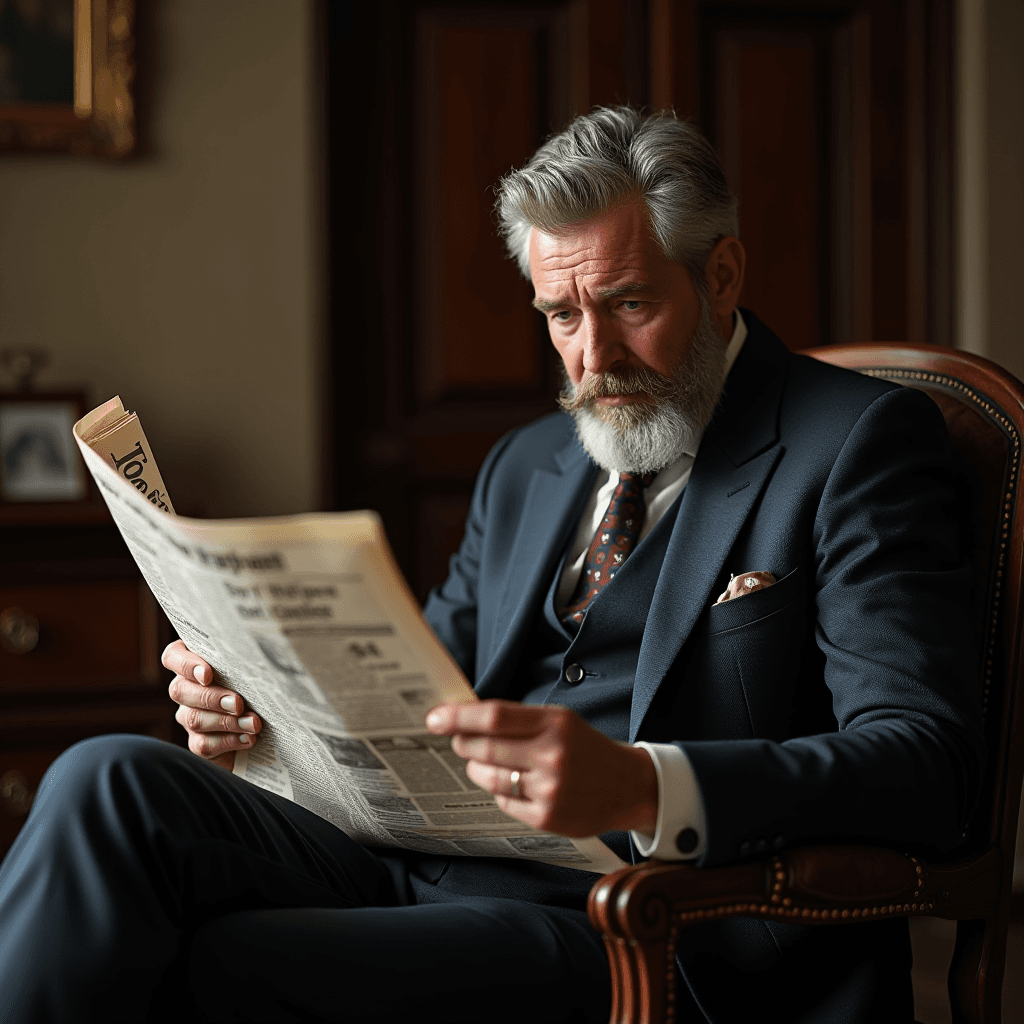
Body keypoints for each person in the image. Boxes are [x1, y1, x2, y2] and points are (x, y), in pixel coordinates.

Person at [0, 107, 982, 1023]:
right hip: (422, 859)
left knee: (207, 960)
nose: (591, 357)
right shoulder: (527, 464)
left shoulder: (855, 443)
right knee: (107, 776)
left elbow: (924, 764)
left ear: (720, 274)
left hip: (647, 922)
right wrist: (259, 718)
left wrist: (644, 786)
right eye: (560, 313)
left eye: (629, 302)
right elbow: (408, 705)